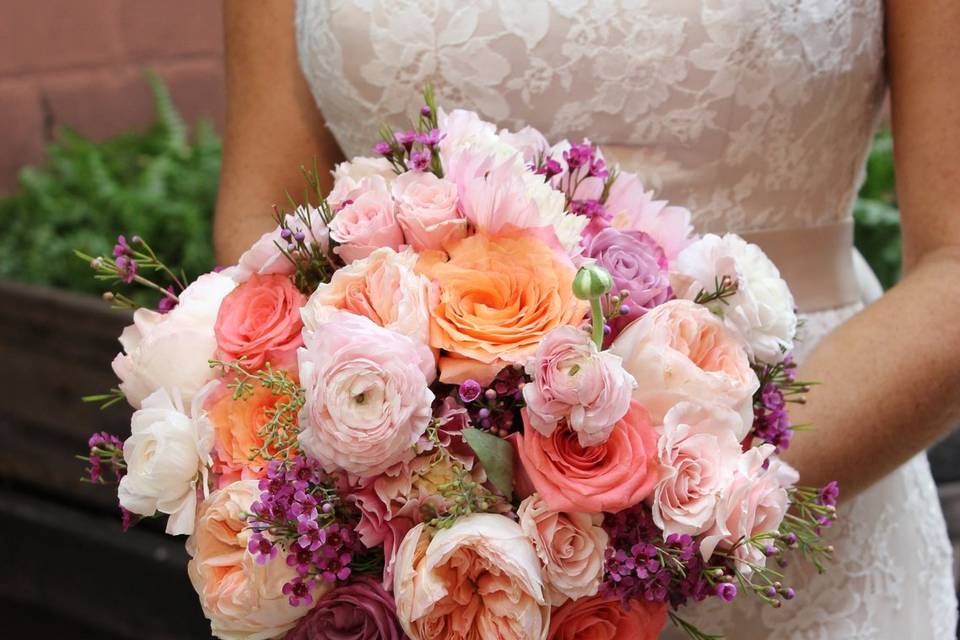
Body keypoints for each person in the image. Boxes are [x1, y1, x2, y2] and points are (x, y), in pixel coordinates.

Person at [213, 1, 960, 637]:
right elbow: (266, 218)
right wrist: (399, 496)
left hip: (795, 497)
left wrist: (667, 519)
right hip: (422, 559)